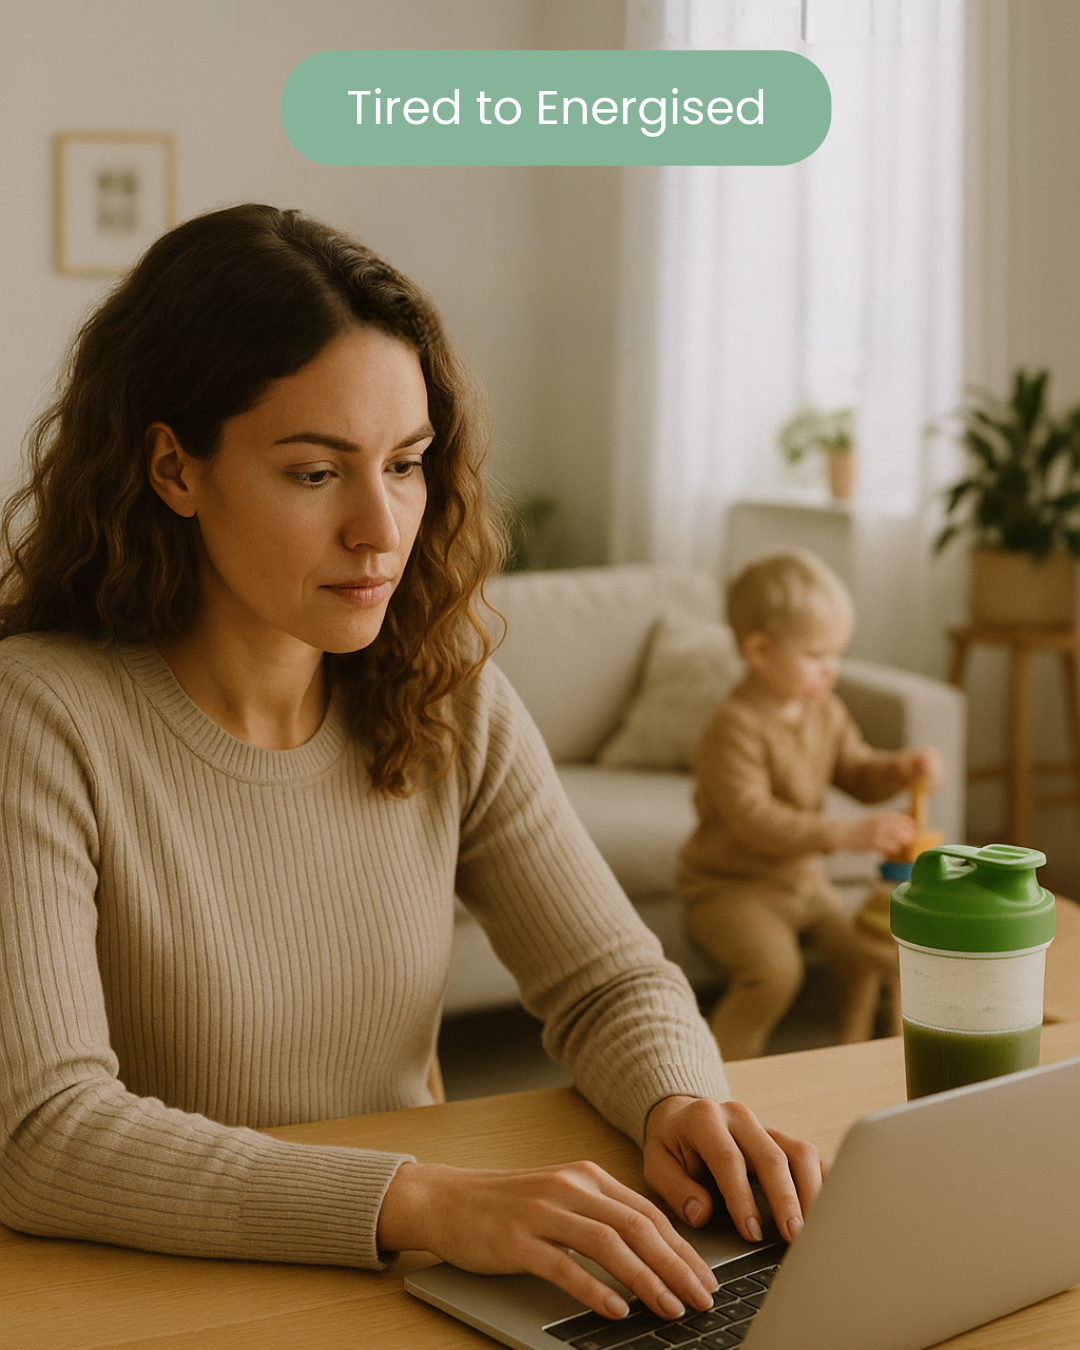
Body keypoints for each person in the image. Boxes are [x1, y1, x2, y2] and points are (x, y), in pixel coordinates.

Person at [0, 204, 823, 1326]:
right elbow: (46, 1133)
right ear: (174, 468)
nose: (381, 528)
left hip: (410, 1290)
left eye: (407, 463)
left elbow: (608, 980)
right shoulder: (38, 716)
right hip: (168, 1297)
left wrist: (681, 1097)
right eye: (313, 473)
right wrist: (420, 1202)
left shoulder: (444, 693)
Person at [679, 550, 944, 1062]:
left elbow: (855, 769)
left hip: (802, 882)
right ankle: (713, 1078)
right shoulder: (733, 728)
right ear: (759, 650)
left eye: (836, 653)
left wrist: (896, 769)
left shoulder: (825, 710)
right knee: (776, 974)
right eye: (817, 655)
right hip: (730, 888)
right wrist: (842, 834)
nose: (833, 669)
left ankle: (851, 1054)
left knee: (862, 955)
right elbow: (754, 821)